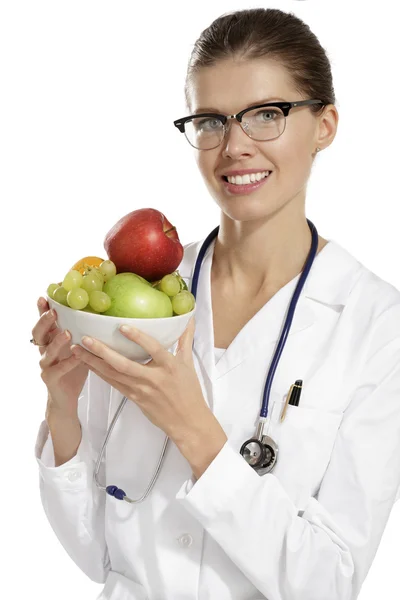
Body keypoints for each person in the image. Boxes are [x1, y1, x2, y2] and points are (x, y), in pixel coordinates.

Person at [33, 8, 400, 600]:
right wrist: (63, 406)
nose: (233, 147)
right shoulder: (144, 294)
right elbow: (96, 552)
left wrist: (197, 434)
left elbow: (330, 582)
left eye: (266, 115)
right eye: (210, 120)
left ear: (325, 124)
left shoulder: (377, 325)